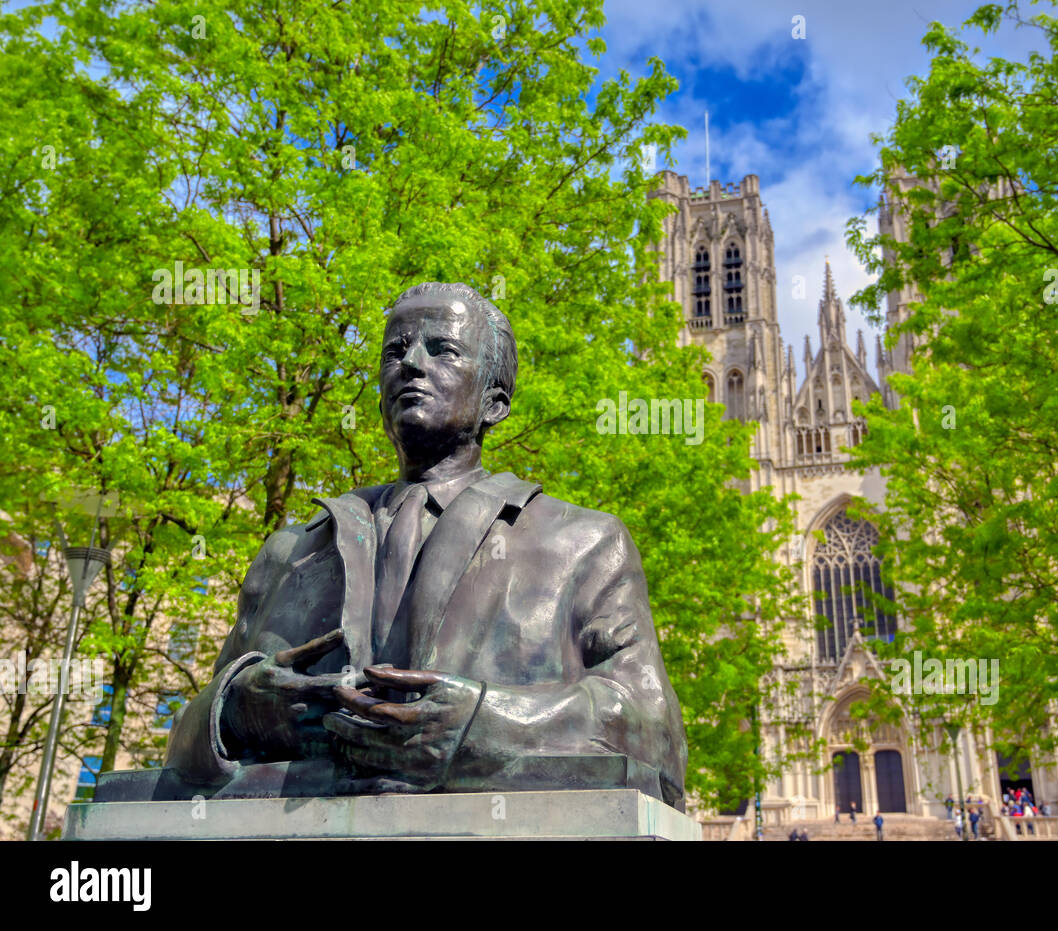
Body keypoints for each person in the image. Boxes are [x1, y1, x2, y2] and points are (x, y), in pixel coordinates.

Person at [164, 282, 688, 806]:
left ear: (495, 402)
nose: (410, 362)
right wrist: (233, 709)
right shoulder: (290, 553)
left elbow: (655, 734)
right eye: (396, 351)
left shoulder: (584, 543)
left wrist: (484, 724)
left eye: (443, 349)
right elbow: (181, 746)